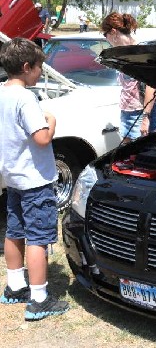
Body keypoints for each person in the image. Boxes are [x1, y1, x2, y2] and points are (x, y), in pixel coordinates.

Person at [0, 38, 70, 320]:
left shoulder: (1, 93)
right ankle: (39, 299)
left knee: (14, 231)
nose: (41, 72)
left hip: (13, 178)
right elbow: (41, 138)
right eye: (40, 67)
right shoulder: (25, 98)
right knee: (38, 238)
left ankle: (15, 286)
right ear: (27, 67)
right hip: (35, 181)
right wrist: (51, 120)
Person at [101, 12, 156, 143]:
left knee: (141, 154)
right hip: (127, 111)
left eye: (105, 35)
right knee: (129, 156)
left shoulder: (140, 52)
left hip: (140, 112)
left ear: (114, 32)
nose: (106, 39)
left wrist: (146, 117)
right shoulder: (121, 53)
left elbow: (151, 85)